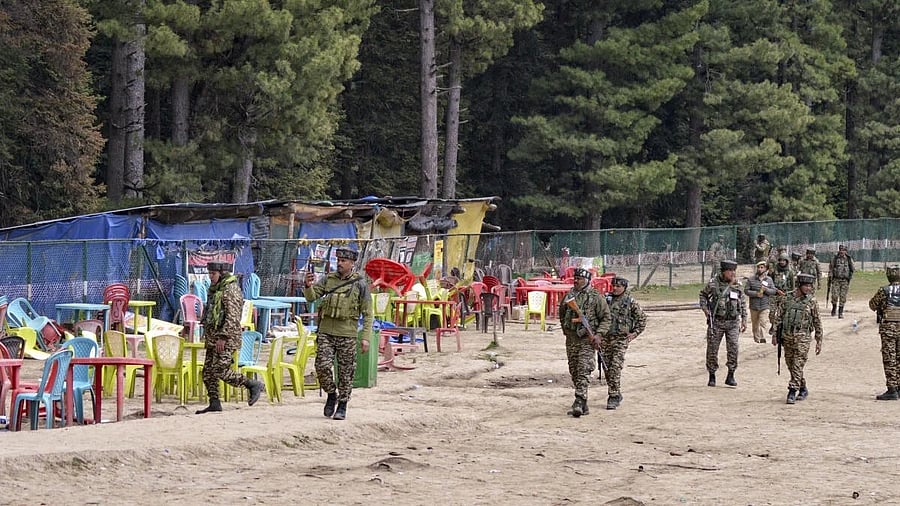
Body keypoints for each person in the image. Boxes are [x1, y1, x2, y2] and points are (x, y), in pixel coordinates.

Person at [303, 247, 373, 420]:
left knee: (346, 372)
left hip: (347, 333)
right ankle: (331, 394)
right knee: (322, 366)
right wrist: (307, 286)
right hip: (326, 331)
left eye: (343, 261)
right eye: (338, 260)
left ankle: (342, 404)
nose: (340, 263)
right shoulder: (329, 279)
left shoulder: (360, 283)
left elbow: (368, 313)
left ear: (352, 263)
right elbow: (312, 297)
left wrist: (365, 338)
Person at [196, 262, 263, 414]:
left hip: (226, 339)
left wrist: (223, 337)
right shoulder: (215, 289)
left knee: (220, 370)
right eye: (209, 273)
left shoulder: (230, 290)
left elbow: (232, 317)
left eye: (213, 274)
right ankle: (214, 403)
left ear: (222, 273)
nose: (210, 277)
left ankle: (251, 384)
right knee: (208, 373)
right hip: (213, 338)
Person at [558, 267, 610, 417]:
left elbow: (606, 318)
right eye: (575, 278)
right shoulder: (569, 296)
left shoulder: (595, 297)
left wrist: (599, 335)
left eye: (579, 279)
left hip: (587, 340)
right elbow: (562, 313)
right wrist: (566, 329)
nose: (576, 281)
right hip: (572, 339)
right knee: (574, 370)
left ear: (587, 281)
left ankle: (579, 401)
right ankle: (584, 404)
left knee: (583, 369)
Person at [770, 273, 823, 404]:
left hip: (803, 338)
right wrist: (775, 334)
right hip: (787, 337)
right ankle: (803, 387)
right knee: (791, 364)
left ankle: (792, 391)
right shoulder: (787, 298)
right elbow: (779, 317)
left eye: (810, 285)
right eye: (806, 285)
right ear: (799, 285)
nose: (809, 288)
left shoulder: (812, 302)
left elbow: (817, 322)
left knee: (798, 364)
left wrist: (819, 340)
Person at [699, 260, 747, 387]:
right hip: (717, 323)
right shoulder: (713, 284)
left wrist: (744, 320)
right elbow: (703, 295)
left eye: (734, 271)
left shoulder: (737, 285)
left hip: (733, 323)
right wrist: (705, 310)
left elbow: (742, 302)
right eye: (730, 271)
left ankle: (731, 375)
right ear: (723, 271)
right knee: (712, 350)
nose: (732, 273)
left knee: (733, 349)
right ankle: (712, 375)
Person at [601, 277, 646, 410]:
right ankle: (616, 391)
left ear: (624, 287)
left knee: (615, 367)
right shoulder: (605, 300)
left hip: (620, 339)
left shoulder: (630, 302)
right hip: (605, 339)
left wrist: (634, 333)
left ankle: (613, 396)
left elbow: (642, 319)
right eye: (613, 286)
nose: (615, 288)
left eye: (618, 286)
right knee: (607, 368)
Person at [868, 265, 900, 400]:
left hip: (888, 328)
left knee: (890, 358)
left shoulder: (884, 290)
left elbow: (872, 305)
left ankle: (892, 389)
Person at [745, 261, 780, 344]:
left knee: (763, 321)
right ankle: (756, 339)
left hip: (765, 305)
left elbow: (773, 291)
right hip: (754, 306)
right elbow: (746, 291)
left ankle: (762, 338)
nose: (760, 269)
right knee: (755, 324)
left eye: (762, 267)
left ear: (765, 269)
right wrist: (756, 294)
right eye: (759, 267)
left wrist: (766, 290)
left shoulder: (769, 279)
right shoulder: (751, 279)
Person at [828, 244, 855, 318]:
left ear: (846, 251)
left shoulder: (849, 259)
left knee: (843, 297)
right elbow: (831, 268)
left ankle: (840, 312)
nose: (841, 251)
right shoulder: (835, 258)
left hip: (845, 281)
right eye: (840, 250)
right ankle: (834, 308)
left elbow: (852, 269)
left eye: (843, 250)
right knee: (834, 295)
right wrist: (830, 276)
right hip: (836, 280)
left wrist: (850, 277)